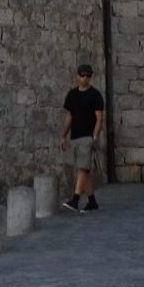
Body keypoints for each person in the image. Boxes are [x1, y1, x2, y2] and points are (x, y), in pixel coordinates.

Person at [58, 63, 105, 213]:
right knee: (82, 170)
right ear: (77, 76)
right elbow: (69, 116)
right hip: (75, 136)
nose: (85, 78)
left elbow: (99, 118)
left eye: (88, 75)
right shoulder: (72, 95)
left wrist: (95, 136)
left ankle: (75, 199)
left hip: (87, 136)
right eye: (82, 75)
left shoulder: (95, 95)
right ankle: (92, 202)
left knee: (82, 168)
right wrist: (63, 135)